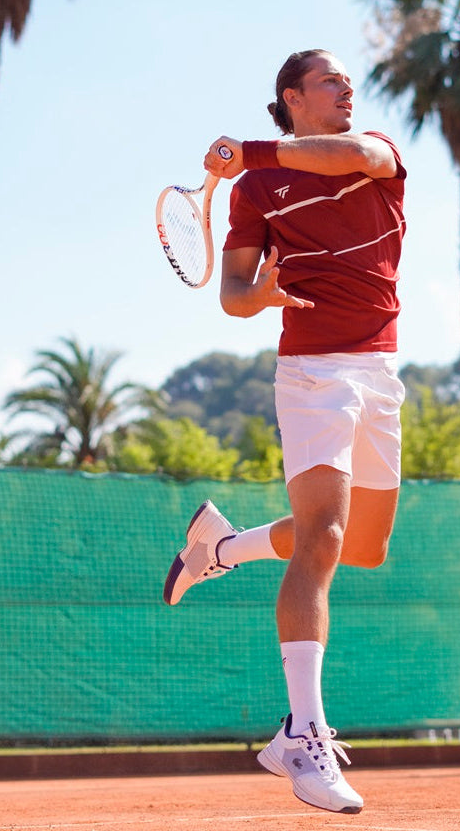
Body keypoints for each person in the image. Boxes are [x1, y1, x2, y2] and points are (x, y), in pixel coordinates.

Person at [162, 49, 406, 815]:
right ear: (292, 97)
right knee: (323, 540)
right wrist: (260, 295)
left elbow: (355, 154)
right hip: (313, 374)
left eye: (347, 82)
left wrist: (248, 151)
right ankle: (303, 735)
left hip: (379, 372)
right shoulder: (259, 191)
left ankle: (220, 548)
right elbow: (232, 293)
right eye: (330, 82)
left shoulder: (376, 154)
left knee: (361, 546)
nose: (346, 89)